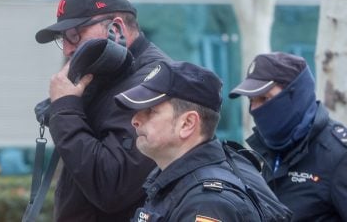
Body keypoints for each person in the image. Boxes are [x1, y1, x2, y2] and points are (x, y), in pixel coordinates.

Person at [34, 0, 171, 221]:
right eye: (62, 38)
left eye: (74, 35)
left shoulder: (153, 82)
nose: (67, 49)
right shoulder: (104, 77)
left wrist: (65, 110)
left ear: (115, 28)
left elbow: (112, 187)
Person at [229, 52, 347, 221]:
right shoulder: (265, 154)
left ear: (296, 95)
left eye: (264, 98)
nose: (255, 109)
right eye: (251, 100)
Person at [115, 61, 291, 222]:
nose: (135, 120)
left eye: (150, 110)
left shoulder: (208, 204)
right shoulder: (177, 181)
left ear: (187, 123)